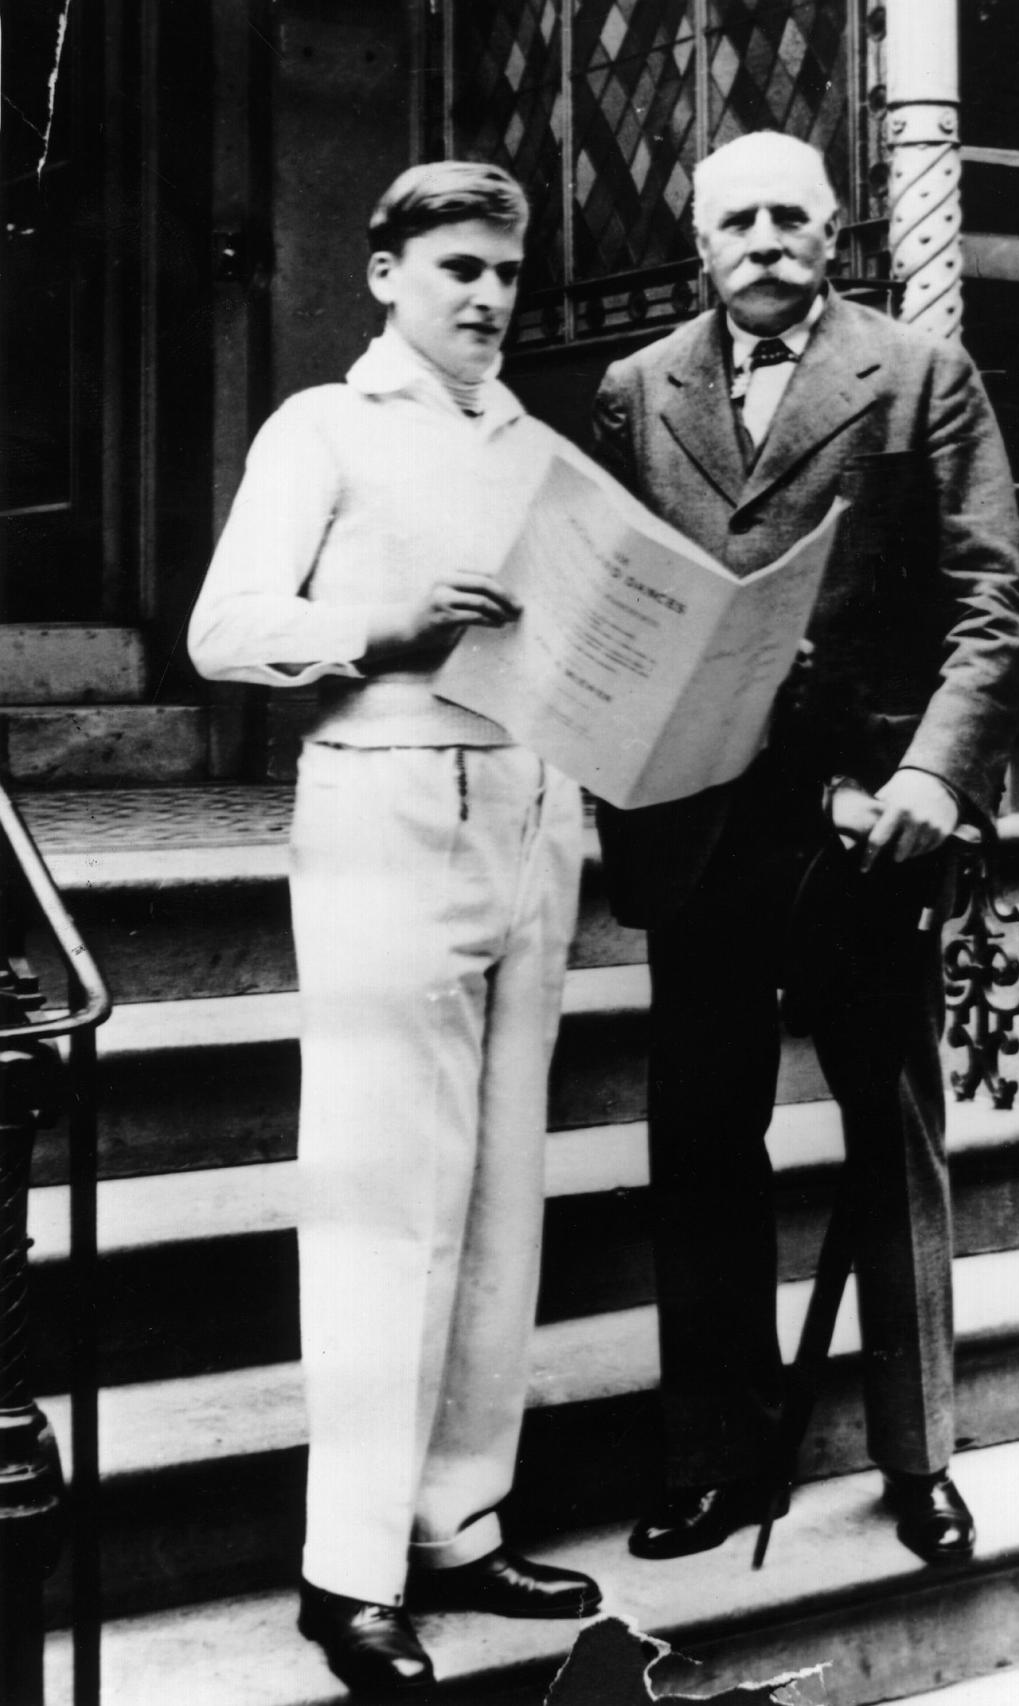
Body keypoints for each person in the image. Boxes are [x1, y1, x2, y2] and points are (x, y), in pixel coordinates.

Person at [189, 161, 601, 1700]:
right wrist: (375, 629)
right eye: (457, 270)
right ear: (383, 274)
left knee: (501, 1191)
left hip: (531, 807)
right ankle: (346, 1571)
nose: (490, 297)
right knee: (386, 1200)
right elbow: (224, 630)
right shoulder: (323, 425)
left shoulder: (538, 445)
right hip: (382, 806)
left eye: (505, 271)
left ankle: (456, 1519)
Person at [591, 131, 1019, 1567]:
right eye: (739, 219)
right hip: (703, 825)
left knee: (888, 1138)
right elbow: (611, 607)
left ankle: (920, 1460)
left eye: (792, 214)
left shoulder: (918, 376)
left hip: (866, 823)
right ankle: (714, 1452)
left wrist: (931, 777)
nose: (767, 237)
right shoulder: (634, 390)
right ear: (700, 240)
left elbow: (992, 599)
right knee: (699, 1139)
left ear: (835, 231)